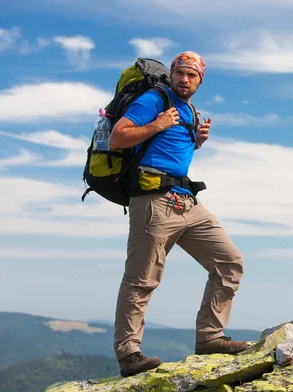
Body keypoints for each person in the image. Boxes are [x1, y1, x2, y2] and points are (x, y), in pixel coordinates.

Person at [109, 51, 248, 378]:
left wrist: (196, 141)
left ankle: (211, 337)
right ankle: (129, 354)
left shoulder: (188, 110)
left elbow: (169, 148)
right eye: (180, 73)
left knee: (229, 263)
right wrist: (157, 123)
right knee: (142, 278)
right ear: (171, 74)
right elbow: (118, 137)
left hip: (185, 200)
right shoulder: (153, 100)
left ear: (200, 81)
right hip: (153, 201)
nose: (185, 79)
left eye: (192, 75)